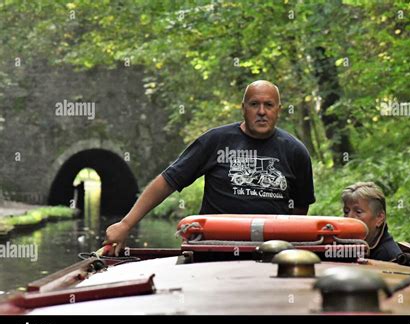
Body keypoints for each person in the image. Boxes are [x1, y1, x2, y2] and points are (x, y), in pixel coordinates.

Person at [104, 80, 316, 255]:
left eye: (268, 105)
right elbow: (168, 181)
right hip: (213, 247)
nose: (261, 111)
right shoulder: (215, 141)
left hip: (272, 250)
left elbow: (299, 210)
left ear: (278, 110)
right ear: (243, 109)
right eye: (254, 104)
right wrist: (126, 224)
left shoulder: (295, 151)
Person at [341, 182, 402, 261]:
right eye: (346, 212)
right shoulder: (347, 246)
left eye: (358, 212)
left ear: (379, 218)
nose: (349, 218)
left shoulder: (389, 258)